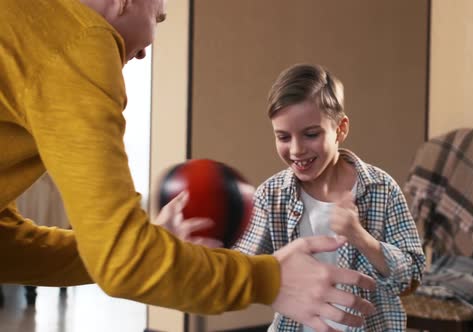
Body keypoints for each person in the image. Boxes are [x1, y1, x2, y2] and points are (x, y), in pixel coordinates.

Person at [0, 1, 378, 330]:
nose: (147, 51)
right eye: (159, 17)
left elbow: (7, 246)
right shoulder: (78, 41)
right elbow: (125, 264)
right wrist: (270, 280)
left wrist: (132, 243)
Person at [232, 64, 426, 331]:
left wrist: (360, 236)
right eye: (283, 137)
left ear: (341, 129)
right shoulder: (271, 196)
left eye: (311, 134)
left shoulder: (382, 188)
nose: (297, 150)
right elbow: (241, 271)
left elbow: (411, 279)